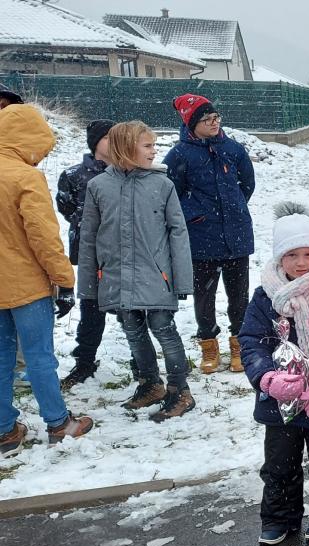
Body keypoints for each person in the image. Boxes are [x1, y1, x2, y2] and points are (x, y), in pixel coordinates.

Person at [239, 202, 309, 545]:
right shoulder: (265, 297)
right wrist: (267, 378)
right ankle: (279, 517)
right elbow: (251, 341)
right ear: (279, 258)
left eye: (307, 254)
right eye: (292, 255)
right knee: (279, 462)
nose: (301, 263)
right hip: (279, 399)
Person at [80, 121, 196, 421]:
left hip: (157, 274)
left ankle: (180, 390)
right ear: (125, 148)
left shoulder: (162, 185)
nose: (154, 151)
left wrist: (182, 279)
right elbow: (89, 237)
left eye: (153, 145)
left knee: (164, 329)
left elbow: (178, 233)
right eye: (147, 146)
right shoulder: (98, 186)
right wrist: (89, 285)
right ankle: (150, 384)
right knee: (132, 329)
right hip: (117, 275)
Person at [0, 104, 93, 457]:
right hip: (26, 285)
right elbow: (42, 237)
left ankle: (5, 429)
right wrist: (64, 280)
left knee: (1, 358)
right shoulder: (25, 177)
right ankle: (58, 422)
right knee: (39, 356)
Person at [165, 93, 256, 375]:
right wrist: (197, 213)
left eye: (216, 117)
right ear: (192, 123)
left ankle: (239, 344)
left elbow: (247, 184)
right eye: (207, 119)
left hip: (237, 235)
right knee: (204, 298)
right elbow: (171, 193)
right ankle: (209, 346)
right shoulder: (180, 155)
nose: (214, 123)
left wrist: (233, 208)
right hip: (201, 239)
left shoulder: (233, 149)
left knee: (239, 295)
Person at [54, 119, 116, 388]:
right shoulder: (73, 175)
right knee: (91, 307)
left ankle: (142, 363)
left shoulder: (128, 171)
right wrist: (86, 228)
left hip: (122, 253)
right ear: (95, 143)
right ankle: (84, 361)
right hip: (89, 252)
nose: (114, 142)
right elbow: (65, 207)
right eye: (108, 137)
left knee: (132, 309)